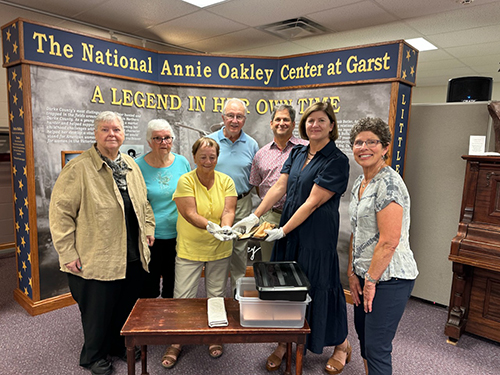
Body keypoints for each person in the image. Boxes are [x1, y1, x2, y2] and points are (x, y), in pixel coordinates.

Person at [233, 102, 350, 374]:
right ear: (304, 125)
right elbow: (280, 186)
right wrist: (256, 215)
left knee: (321, 286)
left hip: (316, 235)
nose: (315, 125)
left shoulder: (337, 160)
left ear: (331, 125)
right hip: (289, 230)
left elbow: (312, 203)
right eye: (310, 121)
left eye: (321, 121)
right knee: (285, 289)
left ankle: (341, 345)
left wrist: (283, 230)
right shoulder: (298, 152)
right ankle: (285, 341)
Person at [49, 111, 155, 375]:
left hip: (131, 253)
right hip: (96, 255)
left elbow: (145, 203)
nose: (112, 135)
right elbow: (60, 214)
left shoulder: (131, 165)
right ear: (96, 134)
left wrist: (149, 228)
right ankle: (93, 356)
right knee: (97, 311)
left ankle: (119, 344)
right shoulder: (79, 168)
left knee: (125, 304)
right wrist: (67, 252)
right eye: (105, 130)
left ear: (123, 134)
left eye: (116, 130)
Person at [347, 117, 418, 375]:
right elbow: (356, 231)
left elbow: (389, 241)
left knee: (377, 348)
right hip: (366, 275)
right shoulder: (361, 182)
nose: (364, 147)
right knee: (365, 343)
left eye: (371, 142)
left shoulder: (389, 184)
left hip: (389, 279)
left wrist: (370, 281)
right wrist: (352, 272)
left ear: (385, 147)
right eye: (358, 142)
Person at [161, 137, 238, 369]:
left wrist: (225, 227)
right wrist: (210, 226)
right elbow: (189, 213)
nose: (207, 161)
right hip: (191, 247)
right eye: (202, 157)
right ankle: (176, 341)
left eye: (212, 157)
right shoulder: (185, 181)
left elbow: (229, 209)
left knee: (216, 293)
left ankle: (215, 335)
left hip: (220, 247)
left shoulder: (226, 181)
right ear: (194, 157)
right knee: (183, 295)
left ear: (217, 158)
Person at [207, 98, 259, 292]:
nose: (234, 120)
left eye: (239, 116)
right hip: (215, 203)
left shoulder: (252, 145)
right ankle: (216, 294)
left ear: (244, 120)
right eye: (230, 116)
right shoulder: (210, 142)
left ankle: (237, 294)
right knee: (217, 249)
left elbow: (255, 177)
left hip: (242, 202)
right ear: (223, 117)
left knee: (239, 250)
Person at [135, 119, 191, 298]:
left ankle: (171, 323)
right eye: (157, 138)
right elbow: (136, 203)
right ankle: (148, 324)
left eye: (167, 137)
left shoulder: (182, 162)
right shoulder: (137, 166)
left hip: (179, 234)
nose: (163, 142)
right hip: (150, 237)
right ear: (149, 142)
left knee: (174, 285)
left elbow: (190, 196)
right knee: (148, 287)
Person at [249, 104, 308, 261]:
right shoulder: (260, 155)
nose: (281, 123)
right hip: (271, 217)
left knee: (299, 263)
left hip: (300, 215)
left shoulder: (307, 149)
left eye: (286, 120)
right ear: (271, 123)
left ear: (294, 124)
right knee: (271, 263)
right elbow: (257, 186)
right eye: (278, 119)